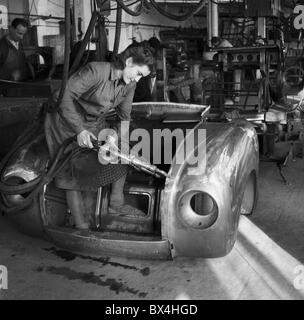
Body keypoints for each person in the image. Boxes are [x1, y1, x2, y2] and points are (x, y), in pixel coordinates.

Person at [44, 43, 154, 229]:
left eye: (141, 77)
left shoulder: (129, 85)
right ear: (128, 61)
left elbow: (124, 118)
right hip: (64, 120)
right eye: (137, 73)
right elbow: (63, 96)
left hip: (93, 122)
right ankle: (81, 225)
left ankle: (116, 204)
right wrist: (79, 130)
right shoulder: (96, 71)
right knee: (72, 169)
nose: (137, 79)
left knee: (121, 151)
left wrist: (112, 139)